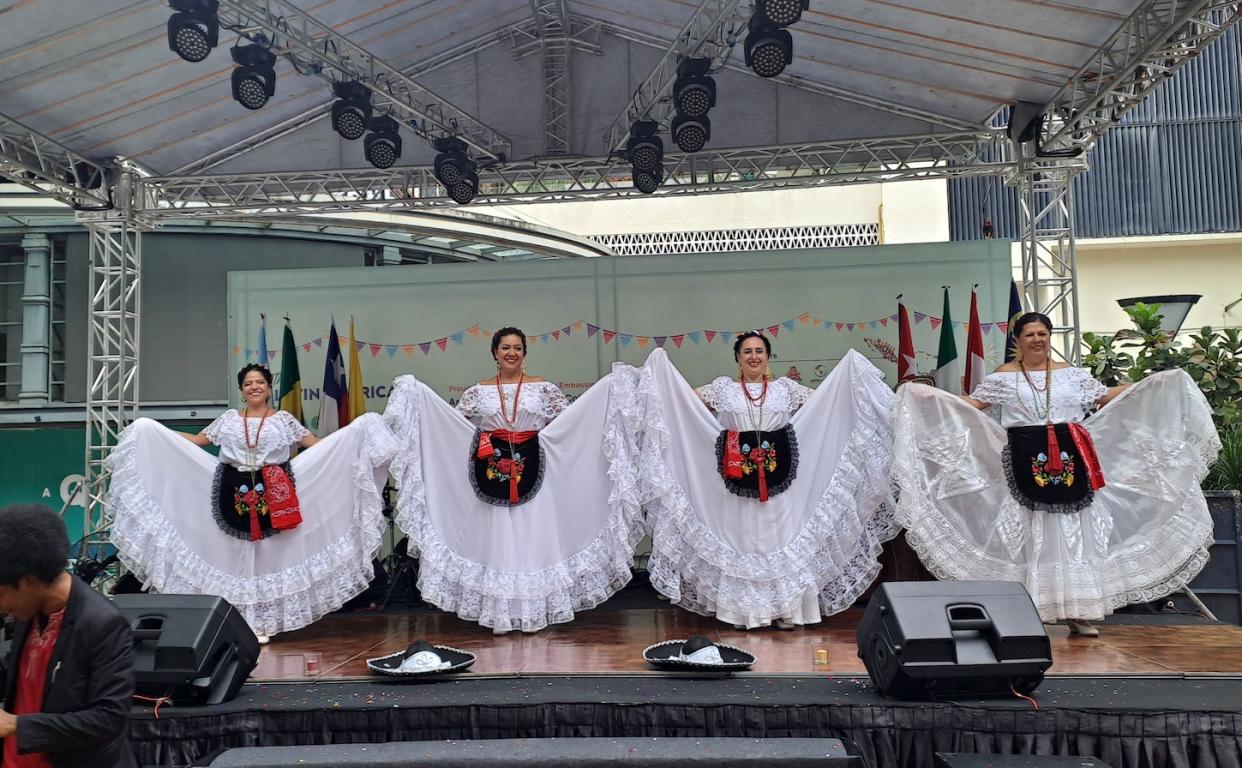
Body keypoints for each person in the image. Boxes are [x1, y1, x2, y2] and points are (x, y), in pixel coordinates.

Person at [891, 312, 1219, 636]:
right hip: (1022, 463)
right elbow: (971, 405)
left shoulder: (1071, 375)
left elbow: (1104, 397)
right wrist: (926, 395)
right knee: (1033, 535)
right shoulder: (1004, 377)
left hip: (1071, 459)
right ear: (1017, 340)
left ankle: (1080, 612)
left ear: (1050, 338)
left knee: (1074, 532)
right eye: (1030, 334)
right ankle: (1036, 609)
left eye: (1043, 334)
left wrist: (1151, 384)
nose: (1037, 340)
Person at [107, 364, 397, 643]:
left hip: (277, 491)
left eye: (259, 382)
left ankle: (261, 622)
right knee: (233, 555)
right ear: (242, 392)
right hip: (232, 489)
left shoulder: (284, 420)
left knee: (271, 555)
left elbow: (317, 445)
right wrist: (154, 433)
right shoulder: (229, 420)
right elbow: (196, 440)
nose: (254, 387)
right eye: (248, 384)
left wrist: (354, 435)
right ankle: (234, 619)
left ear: (269, 388)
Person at [383, 327, 644, 634]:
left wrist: (608, 392)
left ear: (524, 353)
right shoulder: (477, 392)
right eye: (505, 347)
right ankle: (502, 613)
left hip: (535, 466)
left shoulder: (544, 389)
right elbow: (453, 426)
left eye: (518, 348)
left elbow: (571, 422)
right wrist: (422, 399)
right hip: (493, 470)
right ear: (495, 353)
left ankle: (534, 611)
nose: (511, 353)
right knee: (501, 539)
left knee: (533, 537)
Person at [637, 332, 900, 629]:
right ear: (738, 357)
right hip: (736, 478)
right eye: (747, 351)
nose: (753, 356)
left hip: (780, 479)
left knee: (782, 537)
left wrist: (851, 383)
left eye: (759, 351)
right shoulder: (723, 389)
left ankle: (788, 611)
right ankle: (742, 611)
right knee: (742, 540)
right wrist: (660, 377)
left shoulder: (785, 389)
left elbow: (827, 403)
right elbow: (681, 401)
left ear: (768, 356)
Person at [0, 503, 137, 768]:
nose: (0, 604)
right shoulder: (28, 609)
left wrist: (15, 724)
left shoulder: (103, 624)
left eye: (1, 592)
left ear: (29, 581)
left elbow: (107, 719)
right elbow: (19, 670)